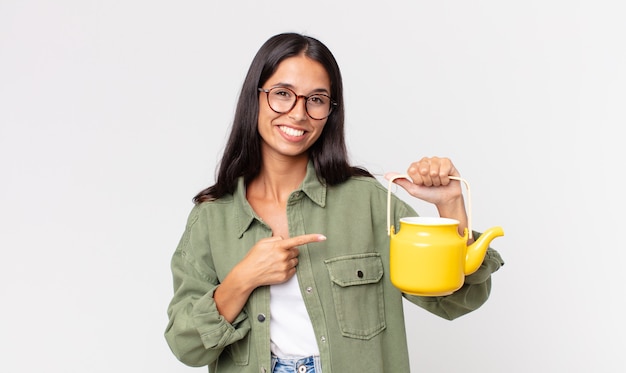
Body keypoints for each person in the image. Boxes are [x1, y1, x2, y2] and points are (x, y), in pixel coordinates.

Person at [164, 32, 504, 373]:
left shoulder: (369, 203)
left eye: (316, 99)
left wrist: (451, 207)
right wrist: (242, 280)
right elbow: (186, 345)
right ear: (256, 97)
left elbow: (458, 301)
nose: (299, 113)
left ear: (330, 111)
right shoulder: (211, 218)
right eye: (282, 94)